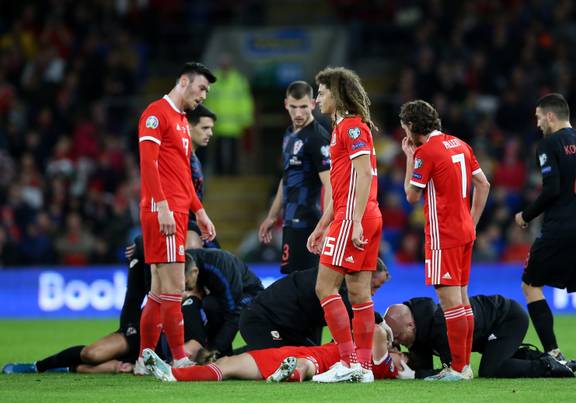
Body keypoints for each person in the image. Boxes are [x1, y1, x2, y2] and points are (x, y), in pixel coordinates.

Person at [514, 93, 576, 374]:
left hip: (559, 229)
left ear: (550, 116)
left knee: (530, 285)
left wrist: (526, 215)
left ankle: (554, 353)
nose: (537, 123)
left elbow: (552, 189)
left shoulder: (548, 145)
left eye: (538, 117)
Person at [400, 100, 490, 381]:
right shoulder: (459, 144)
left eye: (405, 128)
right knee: (462, 300)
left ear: (413, 127)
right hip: (464, 232)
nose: (405, 134)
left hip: (444, 235)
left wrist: (409, 158)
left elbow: (411, 196)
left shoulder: (425, 152)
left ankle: (459, 368)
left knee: (450, 302)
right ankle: (463, 366)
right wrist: (472, 222)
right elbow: (483, 184)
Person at [136, 61, 217, 373]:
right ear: (184, 81)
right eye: (201, 89)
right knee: (173, 288)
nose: (203, 96)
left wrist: (200, 211)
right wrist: (163, 206)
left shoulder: (182, 121)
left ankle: (145, 359)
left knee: (158, 292)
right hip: (163, 212)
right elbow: (148, 163)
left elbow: (183, 173)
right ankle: (179, 358)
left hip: (177, 210)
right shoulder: (156, 114)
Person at [2, 251, 201, 375]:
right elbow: (134, 299)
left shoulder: (200, 294)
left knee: (107, 367)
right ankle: (37, 366)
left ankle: (73, 369)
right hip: (138, 337)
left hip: (161, 352)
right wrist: (130, 329)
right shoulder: (158, 270)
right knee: (91, 354)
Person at [306, 67, 382, 383]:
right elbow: (342, 186)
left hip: (356, 217)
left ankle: (348, 361)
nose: (316, 99)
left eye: (321, 92)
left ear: (336, 94)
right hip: (360, 214)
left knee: (324, 286)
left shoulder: (351, 128)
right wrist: (323, 225)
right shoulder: (343, 128)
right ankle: (362, 368)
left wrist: (351, 221)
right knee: (359, 293)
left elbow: (363, 175)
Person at [384, 295, 575, 379]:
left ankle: (547, 366)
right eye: (395, 340)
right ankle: (553, 361)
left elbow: (452, 373)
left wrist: (415, 374)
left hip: (507, 318)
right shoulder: (416, 333)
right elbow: (423, 367)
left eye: (398, 336)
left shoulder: (441, 325)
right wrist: (395, 362)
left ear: (411, 325)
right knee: (498, 357)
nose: (399, 342)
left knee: (491, 368)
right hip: (488, 327)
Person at [143, 323, 407, 383]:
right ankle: (174, 374)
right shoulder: (380, 360)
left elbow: (378, 331)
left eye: (402, 354)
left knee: (305, 365)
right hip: (298, 351)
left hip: (320, 361)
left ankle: (290, 374)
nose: (399, 354)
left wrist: (386, 329)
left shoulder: (384, 364)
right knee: (228, 362)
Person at [258, 80, 332, 274]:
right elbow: (287, 177)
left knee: (306, 284)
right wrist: (272, 216)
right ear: (286, 105)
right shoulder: (289, 134)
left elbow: (331, 185)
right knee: (294, 282)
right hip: (290, 221)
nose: (298, 113)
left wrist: (325, 226)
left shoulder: (317, 138)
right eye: (293, 107)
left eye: (303, 107)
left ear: (313, 104)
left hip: (309, 223)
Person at [239, 258, 389, 351]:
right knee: (279, 361)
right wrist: (381, 321)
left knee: (313, 359)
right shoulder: (332, 284)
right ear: (365, 276)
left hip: (289, 329)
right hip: (261, 321)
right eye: (374, 286)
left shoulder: (339, 284)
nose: (373, 293)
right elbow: (353, 310)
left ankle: (229, 357)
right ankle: (223, 363)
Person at [182, 247, 265, 361]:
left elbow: (232, 314)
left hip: (250, 293)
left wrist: (214, 348)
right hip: (223, 293)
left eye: (186, 284)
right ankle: (214, 351)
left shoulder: (219, 267)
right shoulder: (188, 260)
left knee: (215, 307)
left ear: (195, 271)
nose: (184, 289)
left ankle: (219, 354)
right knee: (207, 304)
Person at [186, 104, 221, 248]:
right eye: (205, 128)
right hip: (183, 228)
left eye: (211, 128)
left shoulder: (195, 158)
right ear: (188, 127)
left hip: (195, 225)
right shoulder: (180, 158)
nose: (211, 133)